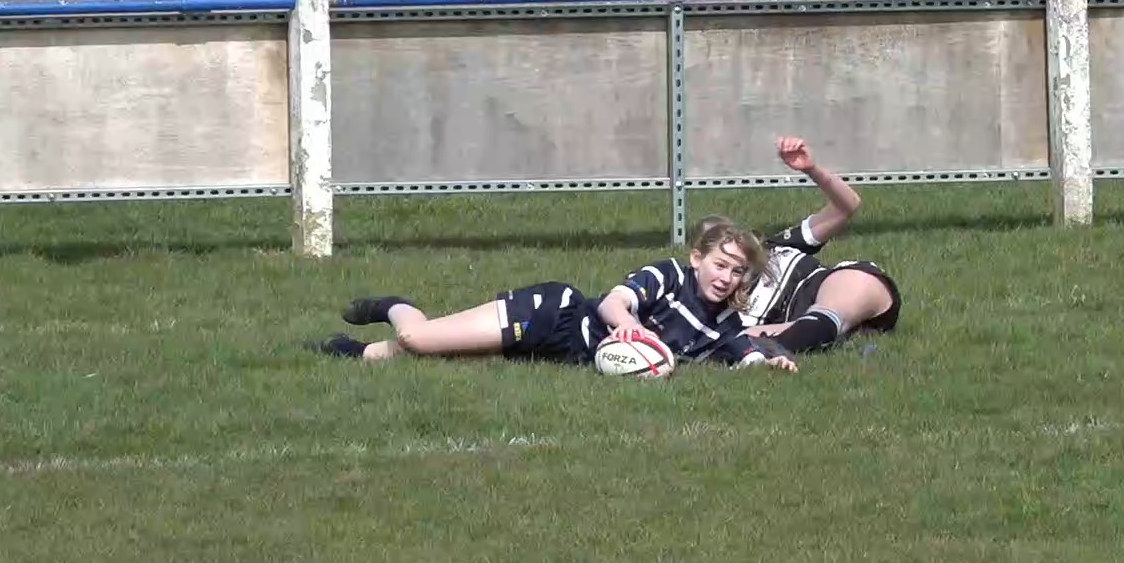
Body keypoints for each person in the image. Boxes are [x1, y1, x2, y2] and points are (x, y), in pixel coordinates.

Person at [313, 216, 797, 372]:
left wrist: (772, 363)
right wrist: (627, 323)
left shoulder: (723, 325)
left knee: (427, 357)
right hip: (555, 316)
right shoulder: (669, 274)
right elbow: (614, 301)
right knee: (420, 342)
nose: (726, 278)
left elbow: (744, 357)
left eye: (736, 272)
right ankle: (393, 306)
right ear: (697, 258)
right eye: (719, 265)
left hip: (564, 357)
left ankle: (354, 353)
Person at [724, 136, 903, 357]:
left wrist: (812, 170)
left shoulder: (772, 247)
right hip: (797, 321)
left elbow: (847, 206)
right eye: (719, 262)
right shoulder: (721, 312)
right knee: (739, 339)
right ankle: (805, 334)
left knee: (835, 304)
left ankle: (818, 327)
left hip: (836, 287)